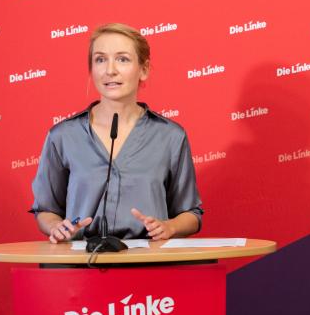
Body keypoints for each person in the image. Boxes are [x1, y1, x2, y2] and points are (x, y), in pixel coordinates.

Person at [30, 23, 203, 243]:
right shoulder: (62, 136)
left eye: (122, 59)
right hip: (82, 267)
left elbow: (192, 214)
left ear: (144, 69)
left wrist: (169, 227)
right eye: (100, 59)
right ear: (91, 69)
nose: (110, 70)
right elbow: (45, 210)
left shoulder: (170, 136)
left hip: (149, 264)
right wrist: (56, 226)